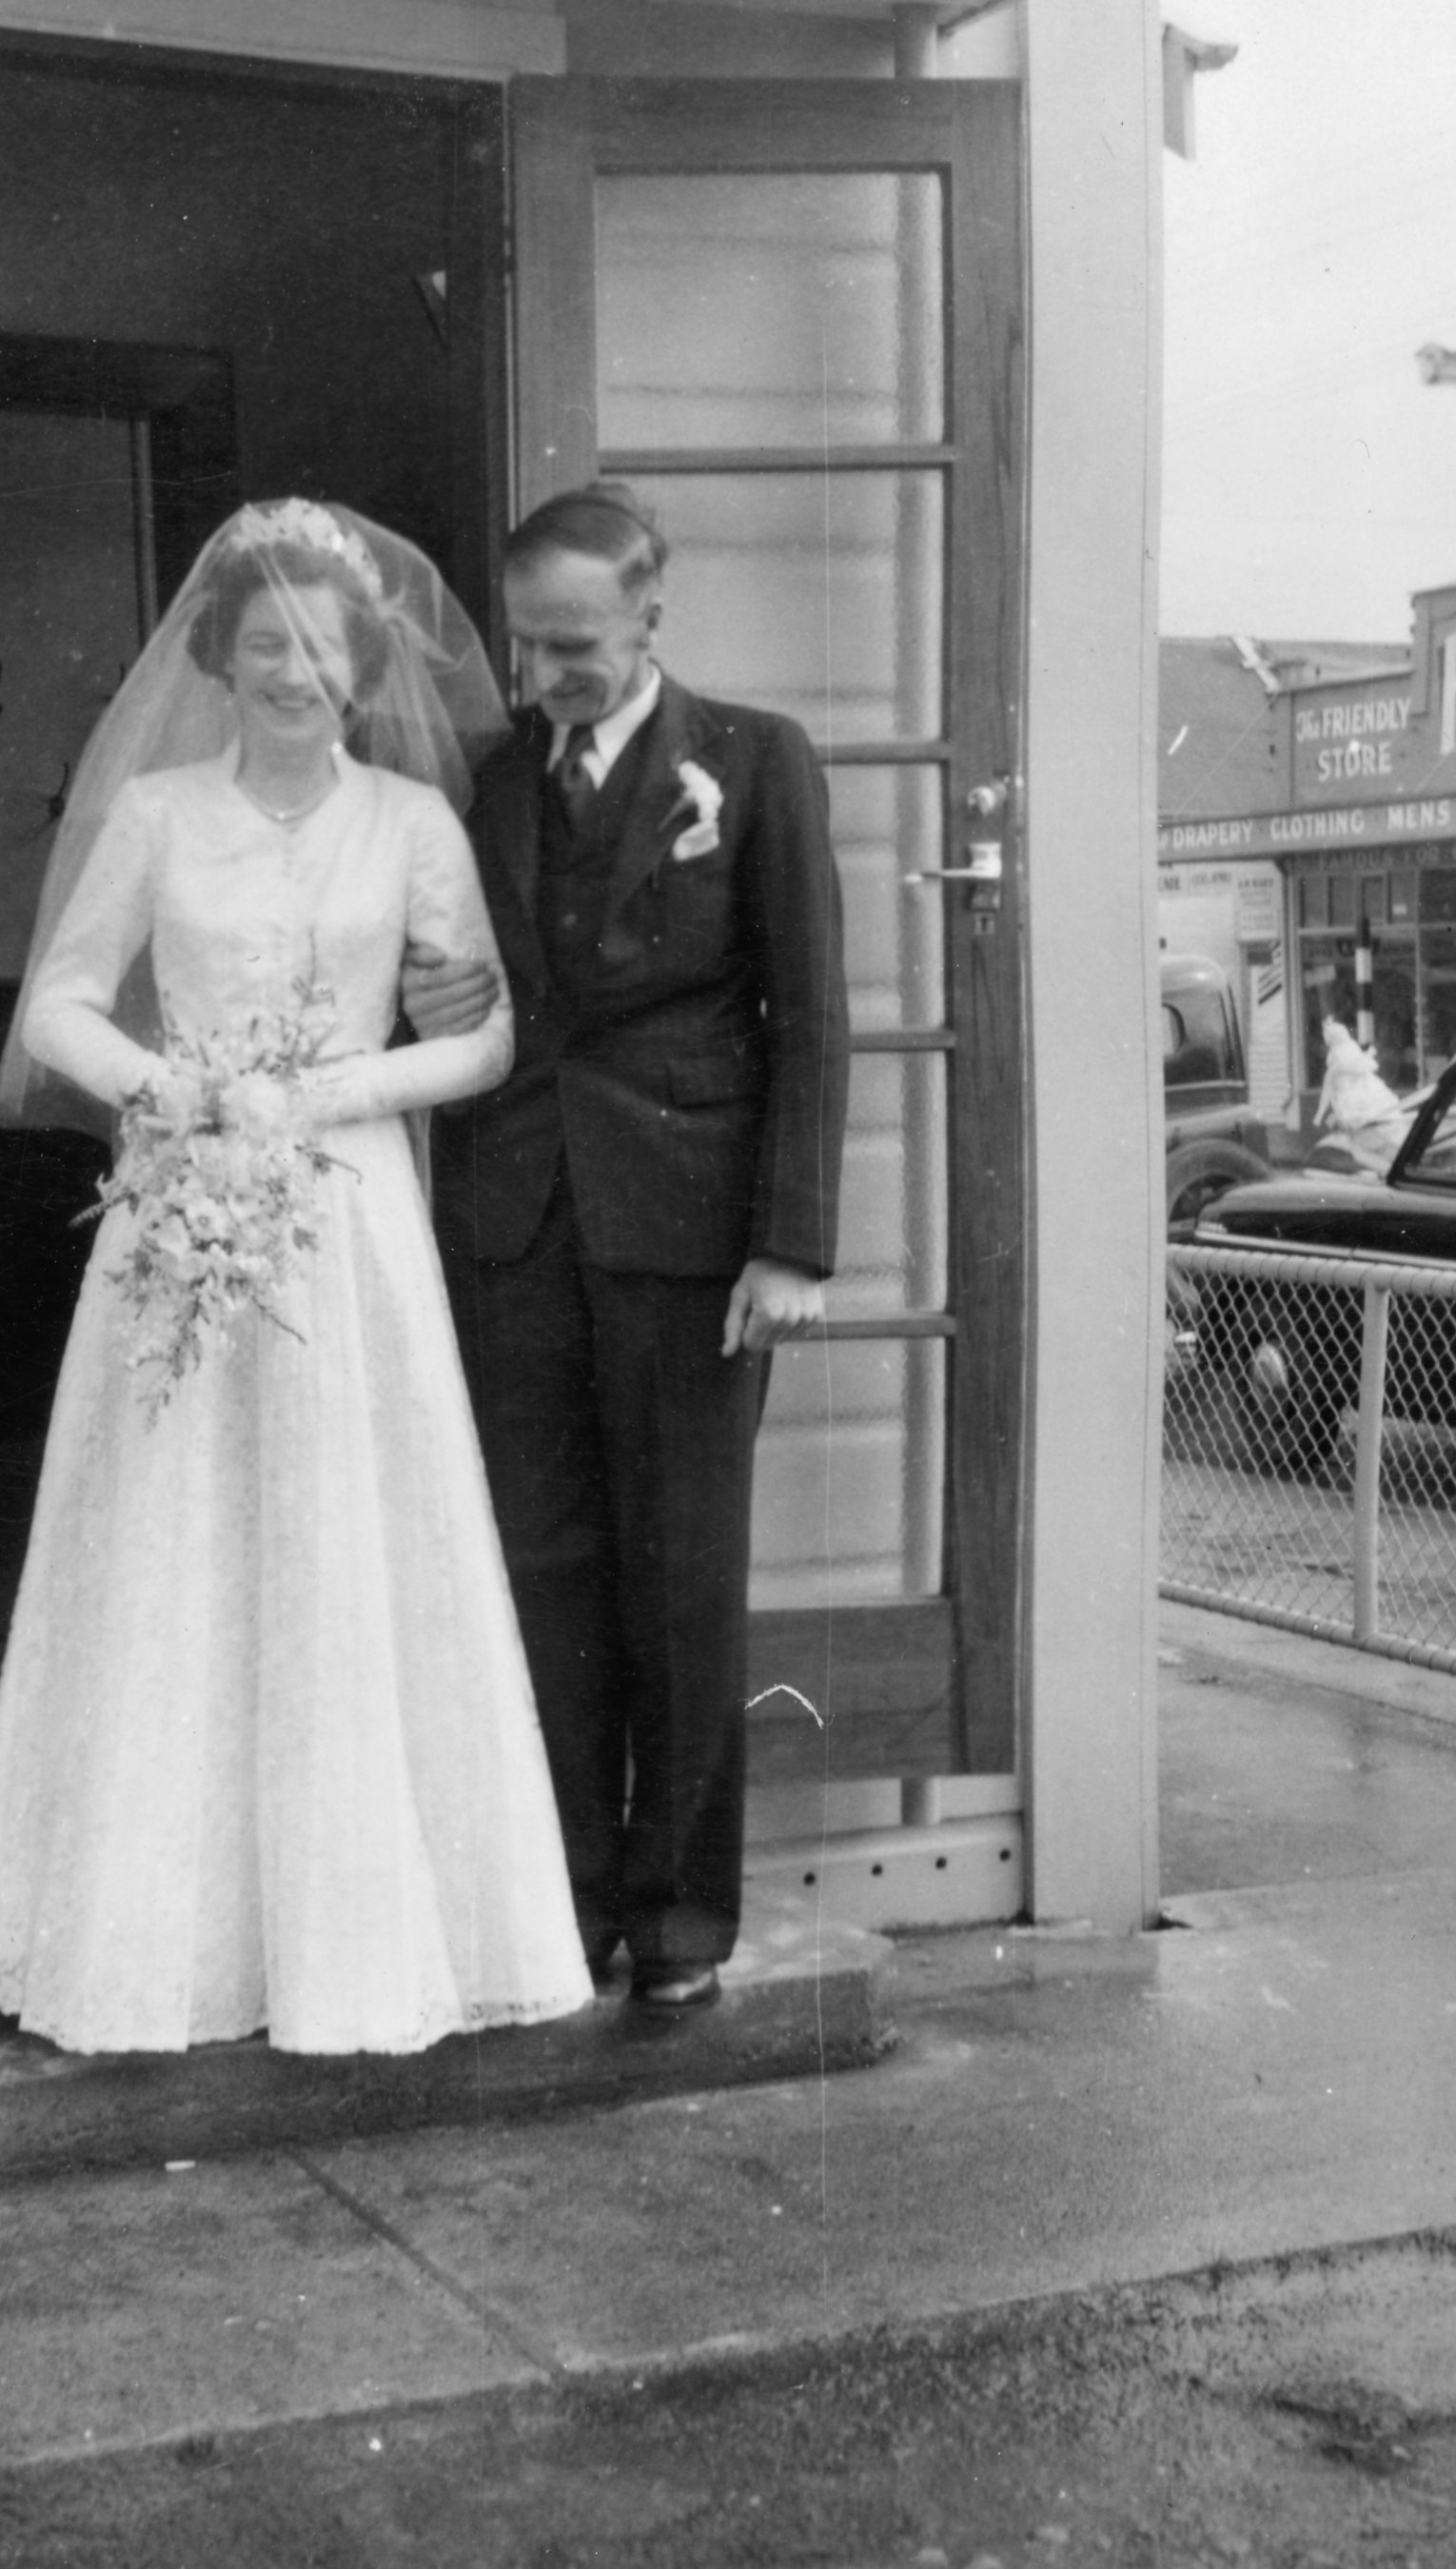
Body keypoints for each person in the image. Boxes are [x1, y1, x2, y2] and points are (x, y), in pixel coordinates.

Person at [0, 501, 592, 2056]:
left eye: (320, 647)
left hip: (348, 1213)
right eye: (264, 644)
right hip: (180, 1214)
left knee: (345, 1547)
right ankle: (150, 1950)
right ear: (219, 658)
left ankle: (353, 1953)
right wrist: (176, 1094)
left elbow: (485, 1032)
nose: (292, 671)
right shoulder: (159, 813)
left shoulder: (412, 826)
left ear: (365, 669)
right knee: (172, 1544)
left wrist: (329, 1095)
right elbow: (59, 1008)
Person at [404, 483, 849, 2014]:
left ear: (654, 614)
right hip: (519, 1221)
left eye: (576, 647)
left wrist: (791, 1244)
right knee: (543, 1573)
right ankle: (566, 1903)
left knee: (680, 1579)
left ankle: (677, 1920)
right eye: (527, 648)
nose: (545, 680)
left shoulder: (756, 760)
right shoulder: (487, 777)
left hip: (689, 1230)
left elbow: (811, 1013)